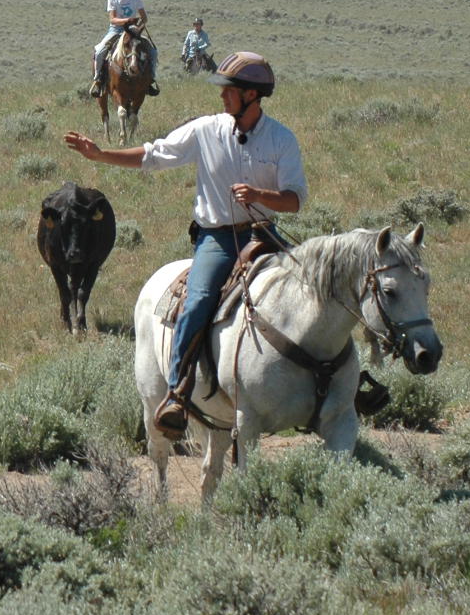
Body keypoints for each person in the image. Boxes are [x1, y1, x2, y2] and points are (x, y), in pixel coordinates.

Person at [62, 51, 305, 438]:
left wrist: (261, 195)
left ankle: (328, 381)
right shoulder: (206, 130)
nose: (222, 97)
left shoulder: (281, 139)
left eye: (229, 90)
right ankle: (177, 391)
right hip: (219, 238)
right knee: (198, 297)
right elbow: (153, 155)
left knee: (312, 290)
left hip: (263, 233)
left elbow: (294, 199)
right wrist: (101, 155)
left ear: (252, 96)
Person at [90, 0, 157, 97]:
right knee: (99, 51)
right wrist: (127, 20)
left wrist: (138, 27)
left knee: (152, 51)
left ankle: (151, 79)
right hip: (116, 30)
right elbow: (112, 19)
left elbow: (144, 17)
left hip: (132, 30)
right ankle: (98, 79)